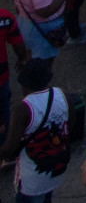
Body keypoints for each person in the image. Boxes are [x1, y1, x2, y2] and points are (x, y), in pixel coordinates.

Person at [2, 59, 71, 203]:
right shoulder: (62, 95)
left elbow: (9, 150)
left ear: (25, 84)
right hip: (56, 169)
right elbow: (71, 124)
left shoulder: (22, 109)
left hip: (31, 179)